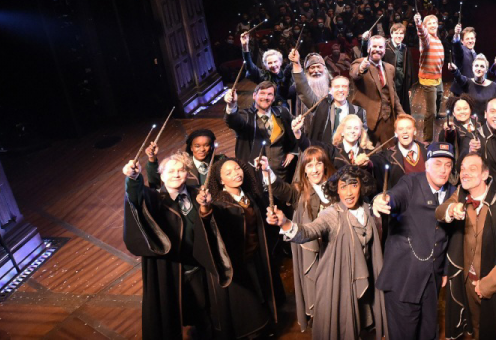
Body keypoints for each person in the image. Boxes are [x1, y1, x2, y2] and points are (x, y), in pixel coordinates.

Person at [270, 164, 389, 340]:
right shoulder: (332, 214)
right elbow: (308, 231)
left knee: (361, 324)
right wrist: (285, 223)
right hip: (338, 281)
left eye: (353, 185)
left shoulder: (366, 209)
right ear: (337, 191)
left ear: (361, 187)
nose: (349, 193)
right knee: (342, 328)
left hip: (363, 279)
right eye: (343, 187)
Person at [123, 152, 230, 340]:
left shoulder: (198, 194)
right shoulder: (156, 199)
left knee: (204, 309)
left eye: (181, 170)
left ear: (187, 174)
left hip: (197, 267)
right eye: (171, 171)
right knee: (171, 311)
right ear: (161, 175)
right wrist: (133, 178)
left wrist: (207, 208)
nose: (176, 174)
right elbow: (136, 198)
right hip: (170, 269)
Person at [373, 142, 457, 340]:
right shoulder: (410, 182)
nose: (443, 170)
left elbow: (450, 236)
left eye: (447, 165)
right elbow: (394, 197)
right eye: (437, 163)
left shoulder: (453, 193)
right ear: (426, 164)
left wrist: (444, 270)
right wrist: (381, 200)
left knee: (428, 332)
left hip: (431, 280)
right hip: (404, 277)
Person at [437, 154, 496, 339]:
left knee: (491, 330)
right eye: (463, 169)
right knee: (471, 329)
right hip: (464, 280)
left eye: (472, 169)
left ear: (485, 174)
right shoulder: (458, 195)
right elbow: (440, 211)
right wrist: (452, 209)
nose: (465, 173)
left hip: (489, 283)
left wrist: (486, 285)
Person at [205, 157, 280, 338]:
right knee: (246, 305)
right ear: (221, 180)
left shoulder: (249, 196)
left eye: (237, 169)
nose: (236, 174)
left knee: (261, 295)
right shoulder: (220, 204)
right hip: (238, 263)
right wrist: (205, 209)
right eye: (228, 173)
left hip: (255, 256)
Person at [288, 146, 337, 332]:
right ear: (304, 170)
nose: (315, 169)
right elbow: (282, 190)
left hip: (335, 249)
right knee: (319, 294)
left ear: (325, 166)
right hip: (316, 253)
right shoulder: (301, 193)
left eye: (319, 164)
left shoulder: (336, 186)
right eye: (309, 165)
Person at [223, 81, 305, 178]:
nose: (266, 97)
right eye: (262, 93)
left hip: (282, 174)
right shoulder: (245, 116)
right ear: (254, 96)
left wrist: (293, 151)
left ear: (274, 98)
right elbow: (233, 121)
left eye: (270, 94)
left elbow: (296, 130)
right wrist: (231, 106)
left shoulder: (282, 112)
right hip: (255, 175)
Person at [351, 34, 406, 145]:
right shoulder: (358, 63)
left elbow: (393, 95)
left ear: (384, 50)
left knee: (390, 155)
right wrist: (361, 68)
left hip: (387, 119)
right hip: (367, 121)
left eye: (380, 47)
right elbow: (355, 74)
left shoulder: (390, 68)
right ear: (368, 49)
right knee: (365, 156)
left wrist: (402, 115)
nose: (377, 49)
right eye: (374, 46)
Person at [143, 128, 226, 188]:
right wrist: (152, 159)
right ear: (191, 148)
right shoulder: (181, 165)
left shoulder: (221, 161)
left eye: (206, 145)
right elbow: (156, 184)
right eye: (197, 146)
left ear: (211, 147)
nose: (202, 149)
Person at [305, 74, 366, 151]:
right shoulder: (323, 109)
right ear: (330, 89)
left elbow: (363, 139)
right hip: (325, 154)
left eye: (344, 86)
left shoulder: (358, 112)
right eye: (337, 87)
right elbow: (315, 136)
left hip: (348, 155)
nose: (340, 90)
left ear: (348, 90)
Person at [411, 12, 445, 141]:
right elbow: (422, 34)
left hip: (438, 77)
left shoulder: (437, 39)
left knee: (440, 94)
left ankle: (436, 114)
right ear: (425, 26)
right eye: (429, 23)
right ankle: (427, 139)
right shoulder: (426, 39)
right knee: (430, 111)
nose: (432, 25)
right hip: (428, 79)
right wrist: (418, 23)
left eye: (434, 23)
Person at [373, 114, 426, 196]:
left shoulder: (427, 150)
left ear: (415, 131)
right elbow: (373, 164)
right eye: (401, 129)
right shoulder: (388, 156)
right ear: (396, 133)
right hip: (403, 204)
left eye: (408, 128)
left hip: (427, 201)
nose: (405, 131)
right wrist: (367, 163)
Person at [241, 31, 294, 105]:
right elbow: (250, 66)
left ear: (280, 62)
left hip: (282, 108)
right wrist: (245, 46)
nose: (273, 65)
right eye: (270, 63)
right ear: (265, 65)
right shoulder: (262, 75)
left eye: (275, 61)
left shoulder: (287, 74)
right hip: (264, 106)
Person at [382, 22, 415, 112]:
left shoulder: (405, 48)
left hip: (401, 82)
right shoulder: (385, 47)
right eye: (396, 33)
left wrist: (408, 87)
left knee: (401, 105)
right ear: (391, 34)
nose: (399, 36)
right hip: (388, 82)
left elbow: (409, 68)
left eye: (401, 33)